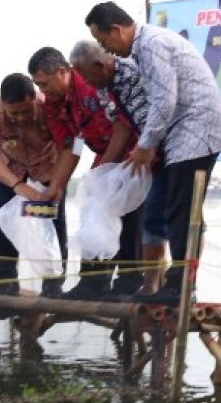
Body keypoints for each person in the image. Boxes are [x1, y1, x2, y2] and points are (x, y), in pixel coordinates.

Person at [85, 1, 221, 306]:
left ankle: (181, 285)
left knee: (182, 211)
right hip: (185, 133)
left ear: (116, 30)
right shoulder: (146, 45)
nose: (109, 50)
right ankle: (175, 284)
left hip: (197, 130)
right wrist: (148, 145)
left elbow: (163, 103)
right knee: (172, 210)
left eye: (105, 42)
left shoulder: (152, 45)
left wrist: (145, 146)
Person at [27, 46, 143, 300]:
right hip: (104, 153)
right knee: (91, 208)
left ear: (62, 72)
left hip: (134, 150)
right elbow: (70, 145)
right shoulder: (53, 104)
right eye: (38, 85)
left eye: (44, 84)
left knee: (128, 213)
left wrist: (105, 174)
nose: (42, 92)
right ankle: (92, 283)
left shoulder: (91, 85)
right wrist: (56, 186)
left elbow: (122, 127)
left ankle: (129, 282)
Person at [70, 38, 170, 295]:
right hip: (128, 154)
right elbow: (121, 126)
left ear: (99, 65)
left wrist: (145, 149)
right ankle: (94, 282)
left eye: (85, 75)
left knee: (140, 219)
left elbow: (157, 112)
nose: (85, 83)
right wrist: (104, 171)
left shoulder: (130, 72)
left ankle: (137, 283)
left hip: (151, 152)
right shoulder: (103, 87)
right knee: (98, 203)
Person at [0, 73, 66, 296]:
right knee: (4, 222)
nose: (20, 118)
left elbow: (66, 148)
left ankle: (53, 282)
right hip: (9, 170)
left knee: (49, 218)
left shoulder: (49, 107)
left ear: (34, 99)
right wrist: (18, 185)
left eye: (26, 111)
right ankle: (6, 283)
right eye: (14, 113)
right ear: (4, 104)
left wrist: (56, 184)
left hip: (46, 168)